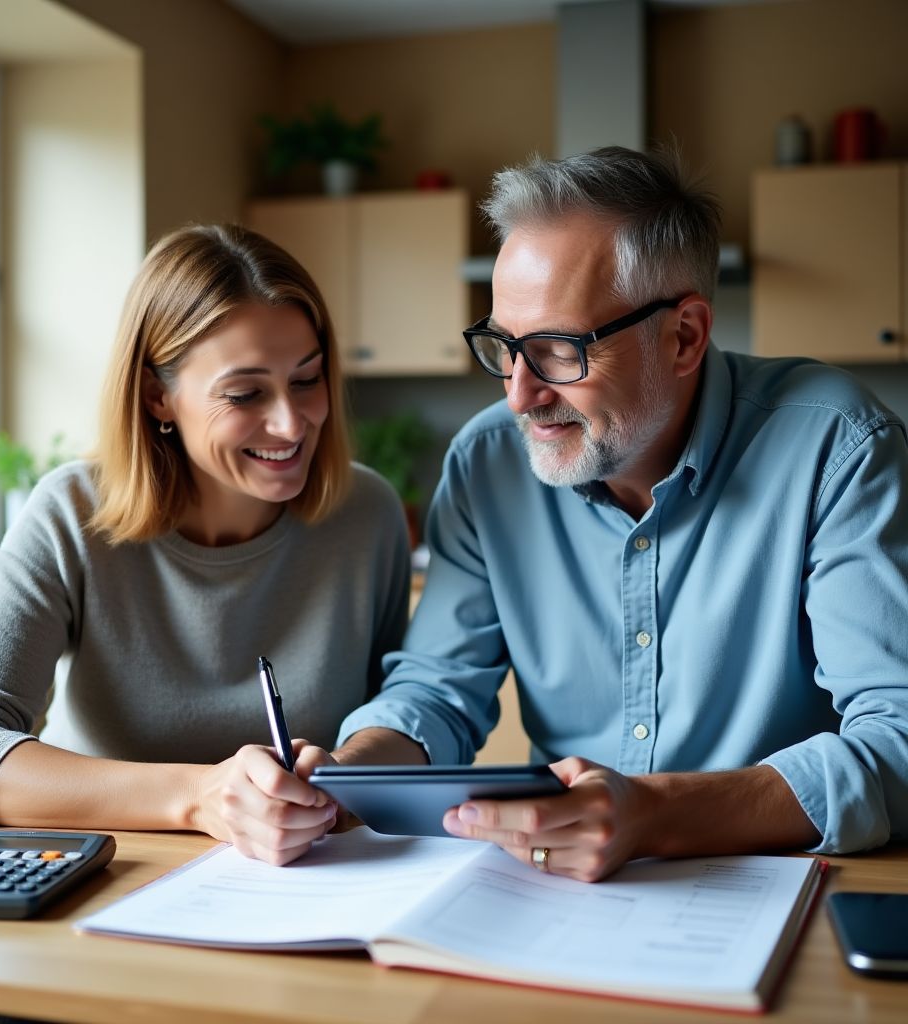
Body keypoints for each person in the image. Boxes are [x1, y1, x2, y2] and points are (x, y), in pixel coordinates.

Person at [330, 146, 908, 880]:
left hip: (781, 887)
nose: (519, 395)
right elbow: (436, 692)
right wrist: (344, 779)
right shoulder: (486, 465)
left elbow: (899, 740)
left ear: (684, 336)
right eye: (505, 348)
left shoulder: (837, 446)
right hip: (559, 891)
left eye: (559, 350)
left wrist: (655, 815)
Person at [0, 223, 411, 866]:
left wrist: (344, 773)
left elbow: (404, 712)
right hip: (109, 880)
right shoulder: (71, 513)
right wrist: (199, 796)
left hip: (304, 880)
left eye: (306, 380)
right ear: (157, 396)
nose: (292, 422)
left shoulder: (366, 515)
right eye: (246, 393)